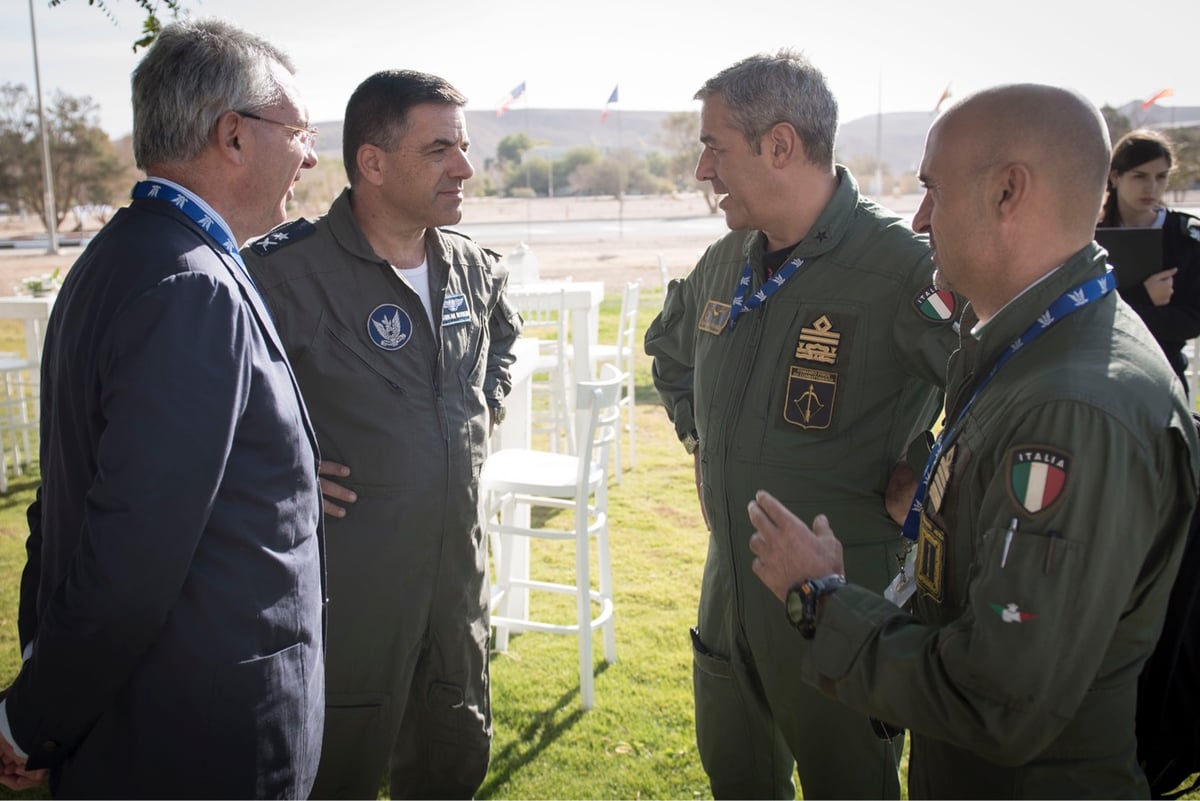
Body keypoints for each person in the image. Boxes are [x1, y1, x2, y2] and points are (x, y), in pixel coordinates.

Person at [747, 83, 1200, 799]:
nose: (920, 218)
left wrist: (821, 597)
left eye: (932, 189)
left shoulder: (1073, 409)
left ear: (1008, 193)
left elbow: (998, 698)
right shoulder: (1039, 344)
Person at [0, 18, 326, 798]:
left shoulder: (123, 255)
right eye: (300, 132)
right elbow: (129, 552)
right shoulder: (192, 285)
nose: (311, 155)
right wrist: (32, 717)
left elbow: (63, 507)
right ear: (233, 136)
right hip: (197, 743)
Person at [642, 49, 961, 800]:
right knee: (738, 774)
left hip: (838, 596)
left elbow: (1003, 388)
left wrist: (936, 470)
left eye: (714, 148)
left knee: (849, 782)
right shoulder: (726, 263)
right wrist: (699, 438)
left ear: (779, 145)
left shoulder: (900, 270)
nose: (703, 172)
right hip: (729, 588)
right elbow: (668, 350)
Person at [241, 69, 519, 800]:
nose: (463, 166)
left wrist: (484, 404)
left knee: (453, 759)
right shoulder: (283, 278)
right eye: (439, 149)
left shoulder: (467, 265)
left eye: (462, 146)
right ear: (372, 161)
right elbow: (211, 414)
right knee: (334, 773)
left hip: (456, 590)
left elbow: (503, 341)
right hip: (345, 601)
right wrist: (276, 468)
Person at [1098, 128, 1200, 391]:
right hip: (1099, 375)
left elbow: (1191, 320)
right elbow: (1078, 312)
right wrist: (1144, 298)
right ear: (1115, 176)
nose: (1151, 187)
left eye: (1161, 177)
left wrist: (1125, 306)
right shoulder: (1088, 237)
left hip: (1165, 378)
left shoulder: (1185, 237)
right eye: (1140, 176)